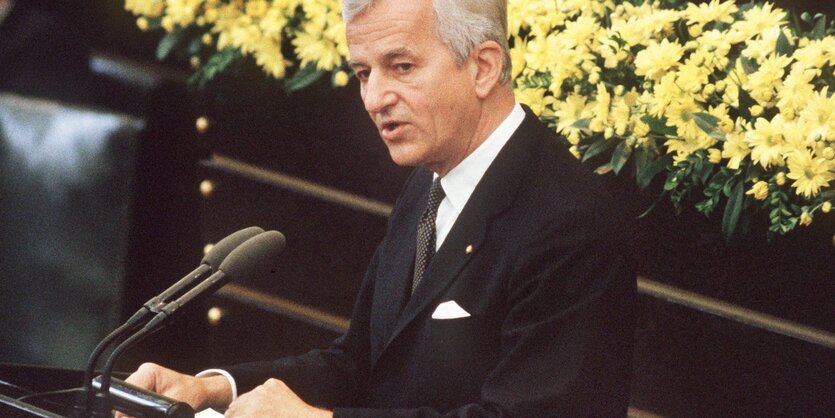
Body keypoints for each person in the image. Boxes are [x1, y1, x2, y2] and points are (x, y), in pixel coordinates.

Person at [120, 0, 636, 416]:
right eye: (364, 72)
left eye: (401, 67)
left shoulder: (570, 224)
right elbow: (361, 364)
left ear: (483, 67)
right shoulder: (428, 184)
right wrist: (213, 389)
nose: (374, 98)